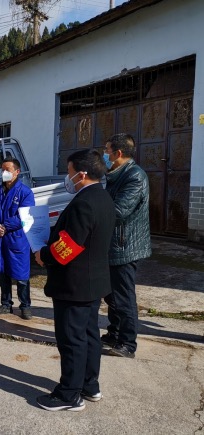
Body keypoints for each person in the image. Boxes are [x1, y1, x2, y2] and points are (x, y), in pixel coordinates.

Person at [34, 149, 115, 412]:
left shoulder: (84, 202)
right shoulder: (102, 196)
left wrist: (43, 254)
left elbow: (67, 247)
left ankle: (69, 394)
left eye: (68, 173)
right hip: (92, 282)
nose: (67, 178)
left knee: (71, 339)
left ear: (81, 174)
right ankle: (89, 385)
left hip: (75, 284)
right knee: (89, 336)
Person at [101, 133, 151, 359]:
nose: (105, 154)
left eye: (107, 150)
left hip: (125, 244)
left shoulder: (135, 177)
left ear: (118, 153)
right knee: (111, 294)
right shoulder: (115, 174)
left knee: (123, 296)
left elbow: (119, 211)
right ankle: (114, 332)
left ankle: (128, 343)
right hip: (113, 244)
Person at [0, 157, 35, 320]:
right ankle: (6, 304)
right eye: (2, 170)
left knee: (21, 276)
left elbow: (25, 216)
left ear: (17, 172)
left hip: (17, 240)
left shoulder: (25, 192)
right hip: (0, 239)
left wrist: (4, 226)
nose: (4, 173)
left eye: (7, 170)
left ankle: (25, 306)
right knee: (3, 274)